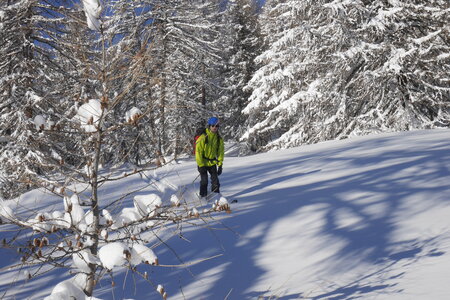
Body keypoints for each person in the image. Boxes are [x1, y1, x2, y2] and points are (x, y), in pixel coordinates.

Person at [195, 117, 224, 200]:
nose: (215, 127)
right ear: (209, 126)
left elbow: (220, 152)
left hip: (212, 163)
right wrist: (201, 165)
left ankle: (216, 198)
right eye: (213, 125)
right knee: (204, 181)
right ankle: (203, 198)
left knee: (216, 182)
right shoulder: (203, 137)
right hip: (202, 163)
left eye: (217, 126)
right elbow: (198, 152)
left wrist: (220, 164)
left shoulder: (218, 138)